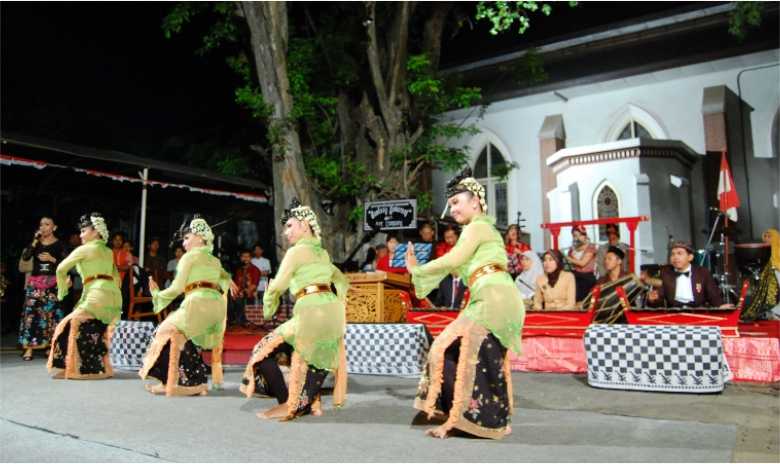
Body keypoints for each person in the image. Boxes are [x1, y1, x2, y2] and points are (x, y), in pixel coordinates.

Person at [406, 167, 523, 440]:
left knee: (452, 349)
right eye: (450, 204)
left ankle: (467, 417)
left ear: (476, 202)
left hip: (494, 298)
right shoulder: (483, 232)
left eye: (457, 203)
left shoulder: (478, 227)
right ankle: (477, 416)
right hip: (494, 297)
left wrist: (417, 270)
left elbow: (452, 260)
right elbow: (459, 269)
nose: (452, 210)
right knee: (473, 355)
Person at [241, 198, 348, 420]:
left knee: (262, 353)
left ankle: (288, 403)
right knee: (315, 355)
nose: (285, 232)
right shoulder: (323, 254)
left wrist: (268, 308)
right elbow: (342, 281)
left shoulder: (295, 252)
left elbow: (277, 286)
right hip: (332, 313)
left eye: (289, 226)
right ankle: (311, 401)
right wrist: (340, 304)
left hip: (311, 310)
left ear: (304, 225)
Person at [139, 216, 232, 396]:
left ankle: (188, 382)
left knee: (163, 332)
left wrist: (157, 295)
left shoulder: (189, 257)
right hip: (216, 307)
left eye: (187, 237)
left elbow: (176, 288)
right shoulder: (214, 260)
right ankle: (180, 381)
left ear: (199, 237)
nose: (184, 242)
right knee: (179, 336)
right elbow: (225, 279)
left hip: (198, 304)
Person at [47, 213, 122, 379]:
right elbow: (116, 276)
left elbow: (60, 269)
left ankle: (82, 368)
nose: (80, 235)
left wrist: (62, 291)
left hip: (97, 293)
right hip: (111, 294)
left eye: (83, 231)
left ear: (95, 232)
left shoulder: (84, 249)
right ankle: (91, 367)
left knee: (70, 324)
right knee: (93, 328)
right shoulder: (109, 251)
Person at [18, 216, 67, 361]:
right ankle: (28, 349)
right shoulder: (36, 243)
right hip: (35, 284)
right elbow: (26, 257)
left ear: (54, 227)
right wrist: (34, 240)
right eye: (41, 225)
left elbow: (67, 264)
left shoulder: (60, 245)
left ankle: (49, 347)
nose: (43, 227)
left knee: (51, 316)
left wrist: (52, 259)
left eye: (47, 224)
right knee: (31, 316)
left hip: (52, 284)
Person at [646, 241, 727, 308]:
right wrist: (652, 299)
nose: (675, 257)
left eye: (679, 253)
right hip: (674, 313)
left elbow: (713, 295)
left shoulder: (702, 273)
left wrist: (721, 306)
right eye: (673, 254)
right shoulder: (665, 273)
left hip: (698, 311)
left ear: (690, 257)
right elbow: (658, 299)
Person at [582, 246, 642, 323]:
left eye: (609, 259)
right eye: (605, 259)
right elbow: (591, 297)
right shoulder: (602, 280)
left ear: (619, 261)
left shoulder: (629, 278)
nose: (606, 261)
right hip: (606, 320)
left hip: (626, 320)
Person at [743, 229, 780, 320]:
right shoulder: (765, 250)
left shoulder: (777, 249)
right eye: (765, 236)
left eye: (769, 236)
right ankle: (772, 312)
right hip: (769, 276)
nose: (767, 238)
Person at [566, 225, 598, 301]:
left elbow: (582, 263)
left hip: (586, 277)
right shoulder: (572, 249)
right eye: (574, 236)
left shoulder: (590, 247)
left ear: (584, 236)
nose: (577, 238)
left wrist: (568, 258)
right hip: (575, 275)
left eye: (579, 235)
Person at [231, 249, 260, 326]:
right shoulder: (239, 270)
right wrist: (236, 292)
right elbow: (236, 284)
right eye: (243, 257)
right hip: (240, 292)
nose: (245, 258)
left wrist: (244, 291)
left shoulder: (255, 269)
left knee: (240, 298)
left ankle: (241, 322)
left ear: (251, 258)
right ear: (241, 258)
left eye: (248, 257)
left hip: (251, 293)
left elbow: (254, 285)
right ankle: (233, 320)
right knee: (229, 296)